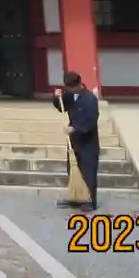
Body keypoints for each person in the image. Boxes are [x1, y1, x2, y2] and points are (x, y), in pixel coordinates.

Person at [53, 70, 100, 211]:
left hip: (87, 140)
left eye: (72, 88)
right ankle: (75, 198)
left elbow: (92, 119)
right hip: (74, 141)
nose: (71, 90)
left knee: (88, 170)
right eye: (68, 88)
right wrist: (57, 97)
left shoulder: (90, 98)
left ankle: (89, 201)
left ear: (79, 84)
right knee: (73, 169)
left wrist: (75, 128)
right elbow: (61, 107)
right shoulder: (68, 95)